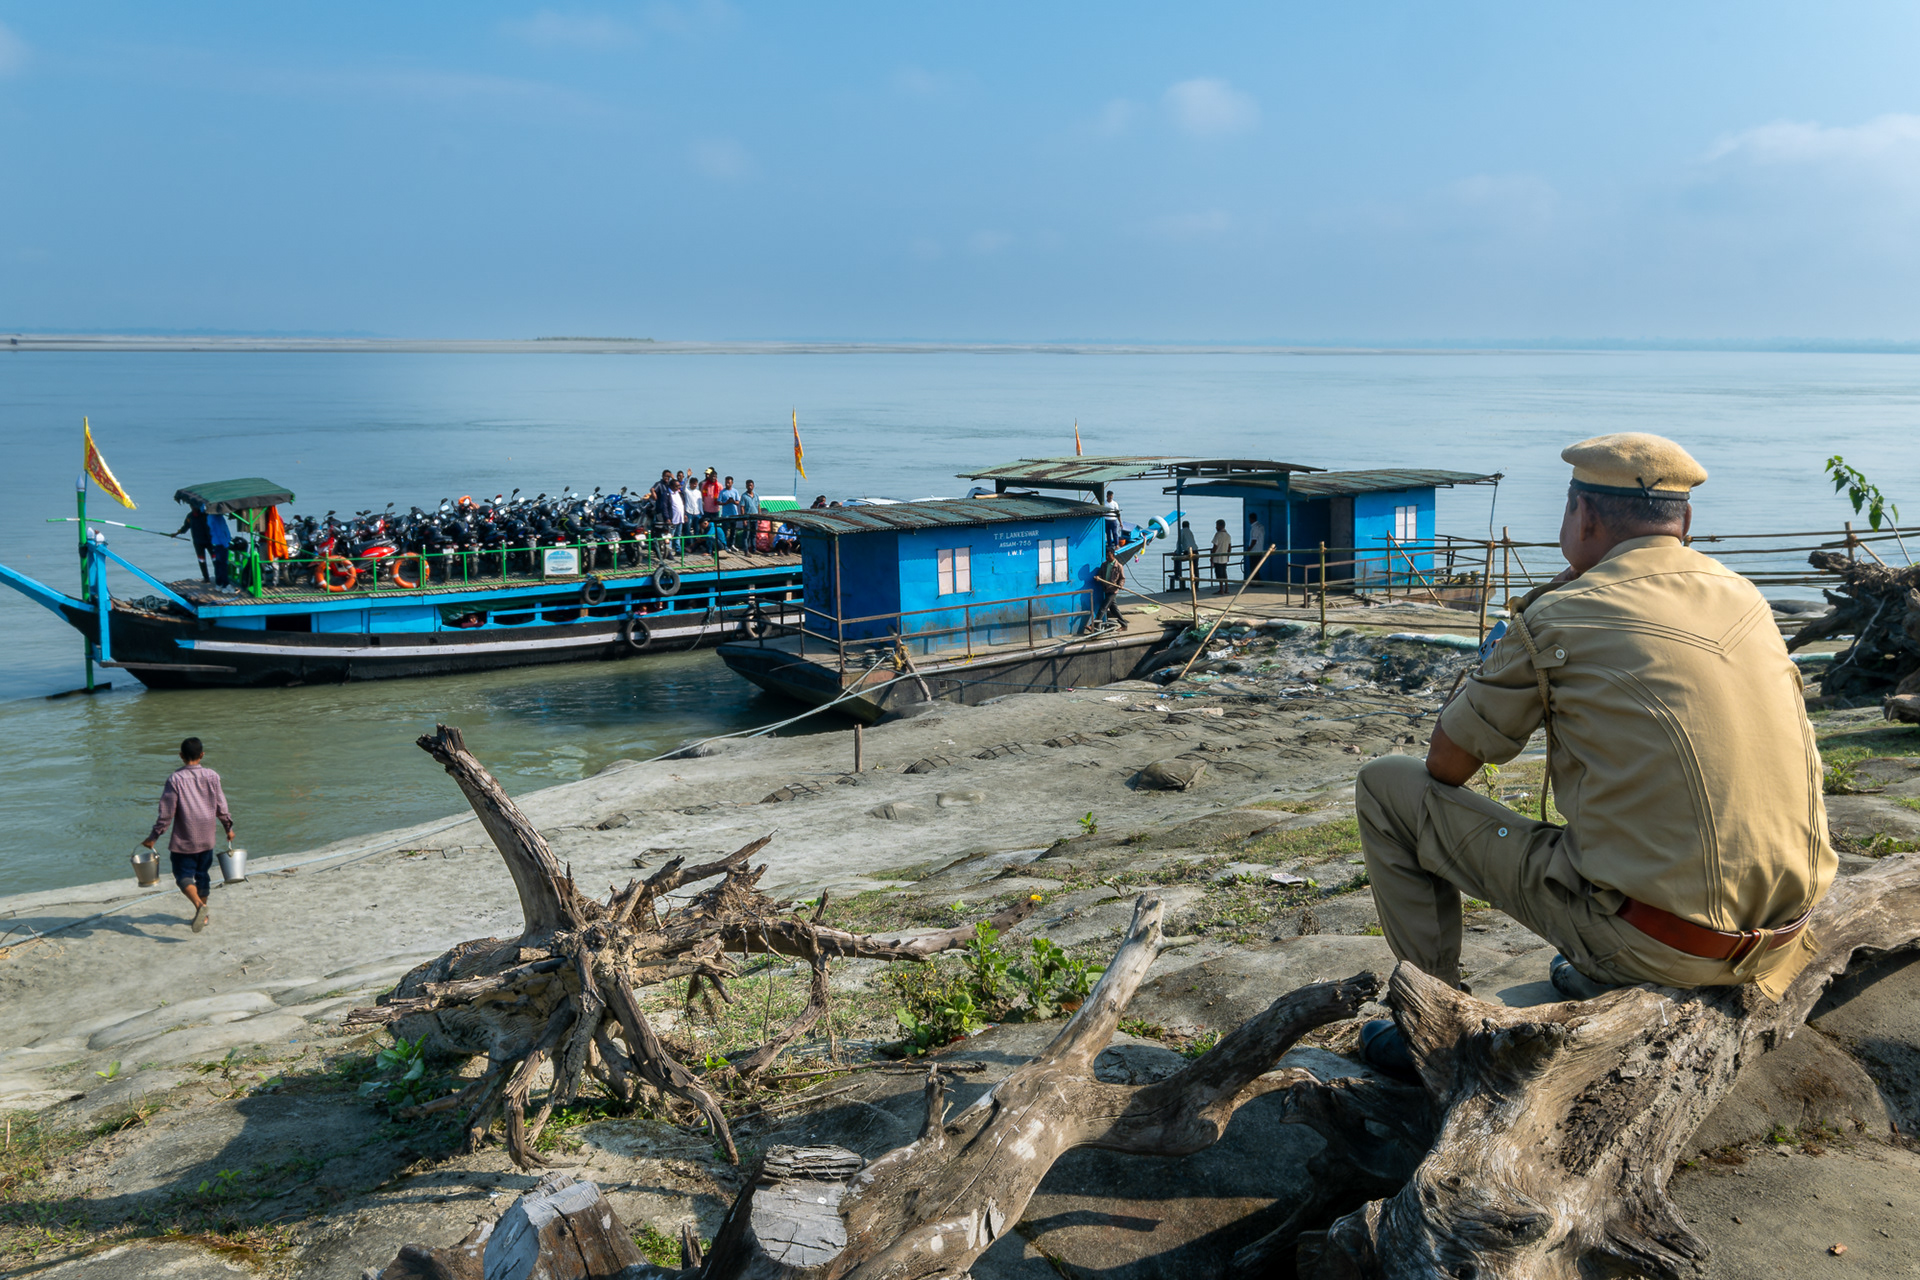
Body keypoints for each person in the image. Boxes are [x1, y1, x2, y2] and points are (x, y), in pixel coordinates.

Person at [1355, 433, 1834, 1079]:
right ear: (1685, 522)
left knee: (1387, 785)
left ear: (1581, 515)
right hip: (1783, 937)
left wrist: (1521, 623)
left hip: (1659, 944)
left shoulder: (1563, 612)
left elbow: (1446, 766)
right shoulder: (1745, 595)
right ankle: (1607, 961)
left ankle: (1437, 1028)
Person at [142, 737, 234, 934]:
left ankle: (200, 907)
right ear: (202, 755)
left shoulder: (175, 780)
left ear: (181, 756)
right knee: (202, 875)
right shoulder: (212, 776)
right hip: (207, 837)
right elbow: (222, 807)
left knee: (183, 875)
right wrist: (228, 828)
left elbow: (166, 814)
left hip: (185, 840)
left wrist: (153, 837)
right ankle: (205, 916)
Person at [174, 501, 215, 582]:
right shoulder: (190, 517)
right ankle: (206, 578)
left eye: (194, 506)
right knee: (201, 560)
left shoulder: (205, 515)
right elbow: (185, 527)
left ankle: (218, 575)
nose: (193, 508)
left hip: (209, 541)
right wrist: (177, 533)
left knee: (215, 559)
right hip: (198, 542)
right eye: (191, 506)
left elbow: (212, 526)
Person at [1093, 548, 1128, 630]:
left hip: (1113, 590)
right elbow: (1100, 575)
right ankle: (1124, 625)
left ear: (1113, 555)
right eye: (1106, 556)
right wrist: (1098, 577)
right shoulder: (1104, 565)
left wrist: (1120, 585)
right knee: (1114, 609)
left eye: (1109, 556)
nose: (1107, 557)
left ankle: (1094, 625)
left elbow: (1122, 578)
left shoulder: (1119, 566)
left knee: (1103, 607)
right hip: (1106, 589)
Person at [1172, 519, 1199, 589]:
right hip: (1195, 550)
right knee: (1195, 568)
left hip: (1188, 551)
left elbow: (1179, 542)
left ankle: (1177, 574)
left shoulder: (1182, 531)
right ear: (1188, 526)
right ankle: (1196, 585)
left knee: (1177, 559)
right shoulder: (1190, 532)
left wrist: (1177, 551)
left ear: (1182, 526)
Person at [1209, 520, 1232, 596]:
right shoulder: (1228, 535)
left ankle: (1221, 590)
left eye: (1217, 525)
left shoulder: (1218, 535)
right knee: (1224, 573)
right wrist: (1228, 555)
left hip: (1218, 558)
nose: (1216, 527)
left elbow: (1215, 547)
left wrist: (1212, 556)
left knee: (1219, 574)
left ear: (1220, 526)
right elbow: (1229, 547)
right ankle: (1226, 588)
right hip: (1224, 557)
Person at [719, 476, 741, 548]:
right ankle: (724, 545)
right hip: (725, 514)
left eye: (729, 482)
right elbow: (719, 502)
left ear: (732, 483)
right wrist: (726, 503)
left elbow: (738, 502)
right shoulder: (722, 492)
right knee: (724, 530)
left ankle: (732, 544)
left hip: (734, 514)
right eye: (726, 482)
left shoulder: (735, 491)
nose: (727, 484)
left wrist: (733, 502)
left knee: (733, 531)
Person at [1245, 511, 1266, 579]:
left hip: (1254, 551)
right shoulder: (1261, 526)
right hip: (1260, 550)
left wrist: (1249, 549)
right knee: (1256, 567)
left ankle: (1256, 581)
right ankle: (1256, 581)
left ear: (1251, 519)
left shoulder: (1255, 528)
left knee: (1253, 567)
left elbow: (1254, 540)